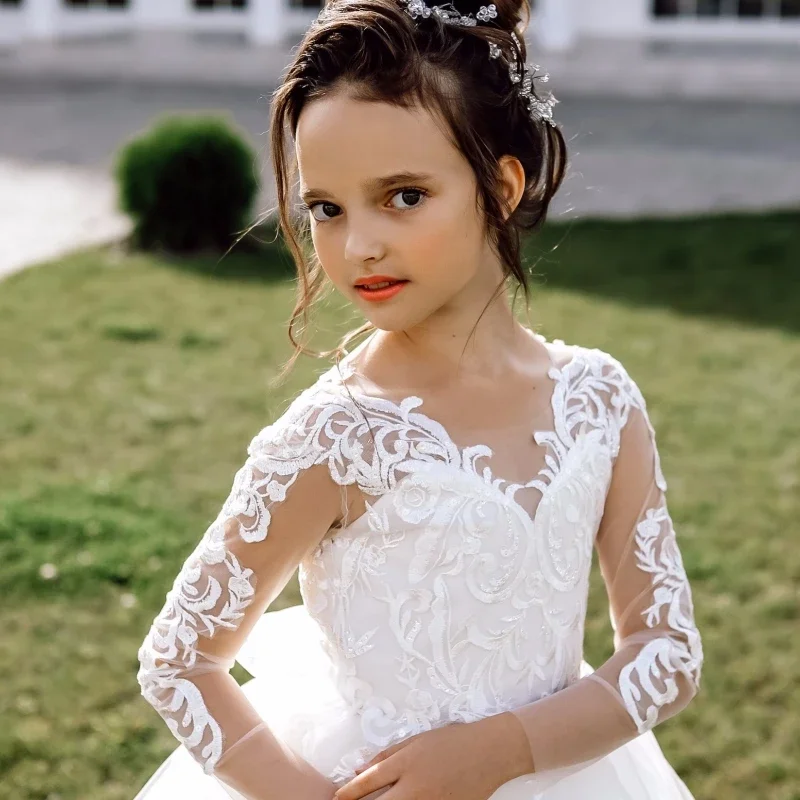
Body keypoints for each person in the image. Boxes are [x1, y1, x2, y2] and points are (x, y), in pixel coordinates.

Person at [133, 0, 704, 797]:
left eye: (403, 196)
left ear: (501, 186)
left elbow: (668, 652)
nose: (359, 243)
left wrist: (503, 749)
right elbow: (179, 660)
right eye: (326, 208)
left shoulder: (600, 401)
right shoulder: (339, 437)